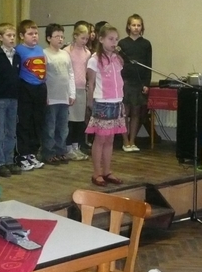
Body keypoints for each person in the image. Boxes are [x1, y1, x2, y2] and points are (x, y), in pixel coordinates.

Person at [86, 23, 127, 187]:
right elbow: (91, 83)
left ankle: (107, 171)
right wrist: (90, 102)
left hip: (117, 101)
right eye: (110, 39)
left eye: (116, 39)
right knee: (100, 139)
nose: (114, 42)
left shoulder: (118, 59)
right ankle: (96, 173)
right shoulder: (94, 60)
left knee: (110, 139)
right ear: (101, 39)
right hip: (102, 102)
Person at [0, 23, 23, 177]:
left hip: (13, 98)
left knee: (11, 131)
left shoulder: (17, 56)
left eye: (13, 35)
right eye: (8, 35)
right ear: (0, 38)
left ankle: (9, 159)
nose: (12, 38)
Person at [14, 19, 46, 171]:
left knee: (37, 122)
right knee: (24, 123)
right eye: (30, 34)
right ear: (22, 36)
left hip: (40, 88)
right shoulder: (18, 51)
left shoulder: (40, 49)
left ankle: (32, 153)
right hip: (25, 89)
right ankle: (22, 154)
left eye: (36, 33)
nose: (34, 36)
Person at [42, 23, 76, 165]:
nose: (60, 39)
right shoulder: (44, 54)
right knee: (50, 127)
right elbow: (43, 76)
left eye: (62, 36)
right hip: (51, 97)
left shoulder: (65, 54)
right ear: (49, 38)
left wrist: (72, 94)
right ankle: (48, 153)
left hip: (64, 97)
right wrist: (45, 95)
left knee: (63, 128)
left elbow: (71, 74)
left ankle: (60, 151)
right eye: (57, 36)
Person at [118, 13, 152, 152]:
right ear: (128, 26)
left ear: (142, 27)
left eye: (139, 25)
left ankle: (132, 141)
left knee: (136, 113)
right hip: (125, 82)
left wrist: (146, 84)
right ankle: (125, 141)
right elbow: (118, 64)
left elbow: (149, 65)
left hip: (139, 83)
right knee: (124, 113)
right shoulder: (122, 44)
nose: (136, 28)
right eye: (133, 25)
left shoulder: (146, 44)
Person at [64, 23, 92, 160]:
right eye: (82, 38)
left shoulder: (87, 53)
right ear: (75, 36)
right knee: (70, 120)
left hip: (82, 89)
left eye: (86, 39)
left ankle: (76, 147)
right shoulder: (67, 51)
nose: (84, 41)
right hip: (70, 89)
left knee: (80, 121)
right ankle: (68, 148)